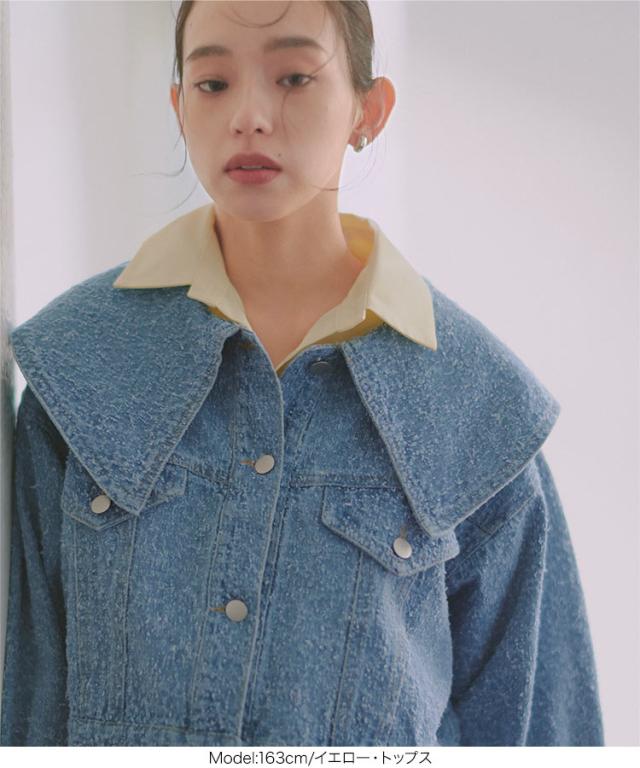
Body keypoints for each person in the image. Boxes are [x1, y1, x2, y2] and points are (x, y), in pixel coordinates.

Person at [0, 0, 604, 748]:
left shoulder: (478, 411)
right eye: (213, 83)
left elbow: (542, 735)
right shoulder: (77, 367)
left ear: (367, 111)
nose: (249, 117)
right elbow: (23, 703)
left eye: (293, 77)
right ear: (179, 108)